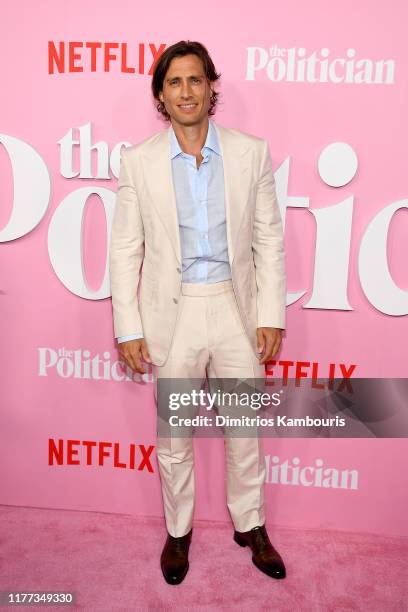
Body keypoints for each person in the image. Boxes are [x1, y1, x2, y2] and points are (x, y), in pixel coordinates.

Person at [109, 40, 287, 585]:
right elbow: (125, 250)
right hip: (174, 311)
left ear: (212, 87)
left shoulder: (250, 152)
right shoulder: (138, 161)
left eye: (195, 80)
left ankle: (250, 526)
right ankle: (178, 532)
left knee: (244, 430)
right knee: (174, 437)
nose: (186, 92)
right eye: (173, 83)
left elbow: (268, 238)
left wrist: (272, 315)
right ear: (160, 95)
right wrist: (129, 326)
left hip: (235, 311)